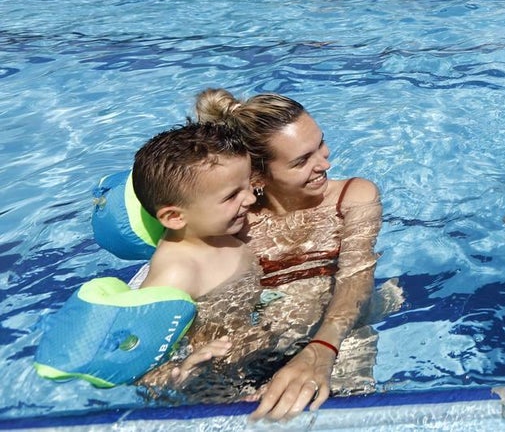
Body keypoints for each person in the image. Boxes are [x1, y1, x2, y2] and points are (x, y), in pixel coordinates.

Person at [194, 89, 385, 421]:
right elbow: (213, 301)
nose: (324, 163)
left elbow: (356, 277)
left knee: (341, 412)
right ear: (257, 177)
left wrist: (322, 348)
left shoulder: (353, 196)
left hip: (337, 333)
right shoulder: (235, 221)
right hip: (258, 342)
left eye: (320, 145)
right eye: (302, 161)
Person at [131, 122, 257, 389]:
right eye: (233, 195)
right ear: (175, 216)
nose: (250, 200)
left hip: (252, 347)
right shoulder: (177, 274)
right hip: (219, 381)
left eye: (248, 185)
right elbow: (141, 370)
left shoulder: (217, 228)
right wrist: (185, 369)